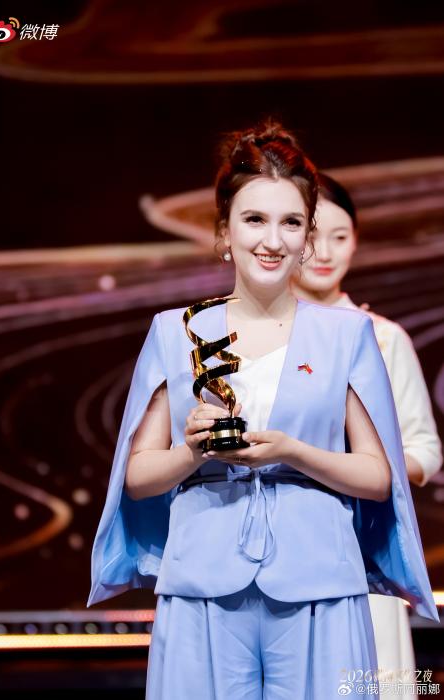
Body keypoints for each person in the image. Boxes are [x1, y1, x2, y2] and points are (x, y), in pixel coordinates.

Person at [88, 120, 439, 699]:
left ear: (307, 237)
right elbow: (138, 475)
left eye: (291, 223)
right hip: (202, 580)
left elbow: (380, 477)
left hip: (320, 582)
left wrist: (294, 452)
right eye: (254, 219)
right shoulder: (177, 331)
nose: (272, 240)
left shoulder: (348, 335)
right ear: (224, 231)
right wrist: (191, 452)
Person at [291, 172, 443, 692]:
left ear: (356, 241)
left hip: (364, 555)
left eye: (341, 236)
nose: (326, 252)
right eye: (313, 236)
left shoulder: (383, 338)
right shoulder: (256, 338)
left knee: (367, 684)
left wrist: (364, 468)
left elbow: (426, 450)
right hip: (281, 553)